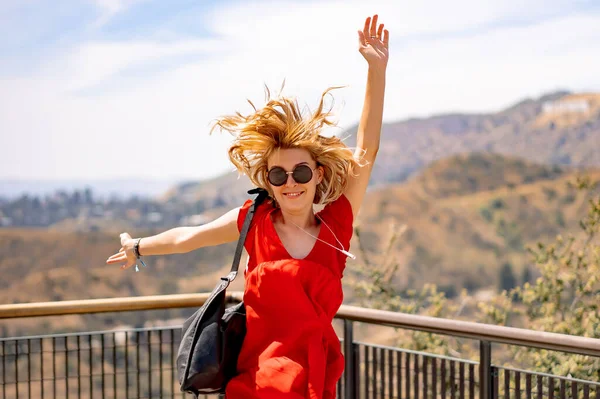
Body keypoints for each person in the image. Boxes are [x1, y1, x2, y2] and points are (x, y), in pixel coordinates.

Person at [106, 14, 389, 399]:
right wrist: (139, 246)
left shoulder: (337, 224)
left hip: (316, 380)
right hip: (257, 381)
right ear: (267, 182)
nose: (290, 183)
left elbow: (366, 150)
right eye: (278, 175)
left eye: (300, 172)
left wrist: (376, 70)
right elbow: (190, 236)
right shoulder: (253, 221)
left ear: (319, 174)